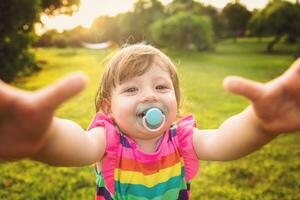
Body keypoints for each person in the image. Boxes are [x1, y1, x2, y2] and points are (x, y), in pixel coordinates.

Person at [0, 44, 300, 199]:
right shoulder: (108, 139)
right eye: (131, 89)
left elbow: (223, 141)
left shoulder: (181, 138)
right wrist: (44, 138)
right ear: (109, 108)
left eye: (161, 87)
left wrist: (260, 125)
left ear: (176, 101)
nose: (149, 96)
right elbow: (78, 145)